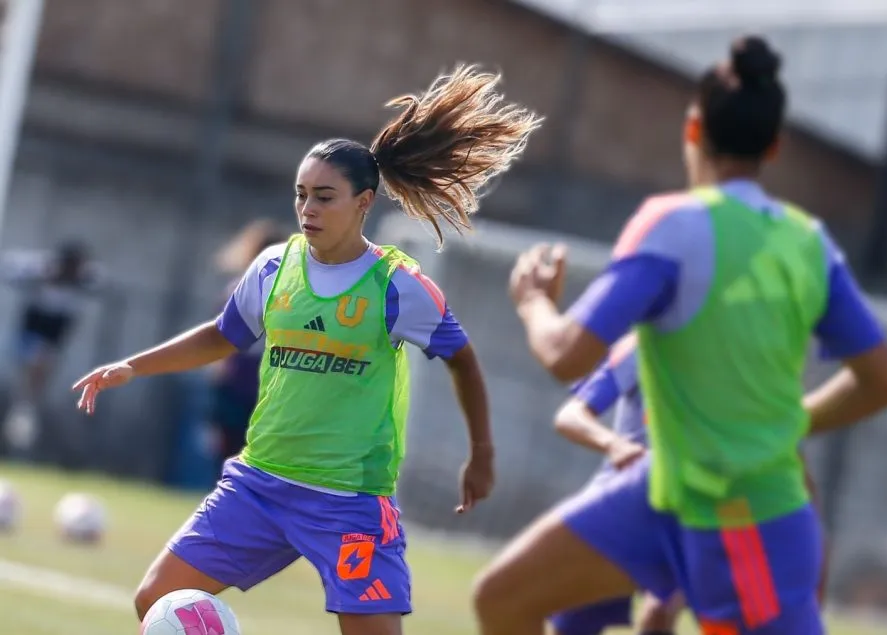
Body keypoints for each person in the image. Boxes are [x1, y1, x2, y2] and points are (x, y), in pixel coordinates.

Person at [72, 65, 542, 635]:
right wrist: (131, 366)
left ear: (364, 202)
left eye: (325, 197)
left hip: (348, 502)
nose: (308, 209)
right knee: (158, 602)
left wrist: (483, 452)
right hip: (259, 484)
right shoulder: (275, 268)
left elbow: (462, 358)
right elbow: (223, 335)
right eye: (301, 196)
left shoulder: (396, 285)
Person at [476, 35, 887, 635]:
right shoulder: (808, 242)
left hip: (745, 514)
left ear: (693, 129)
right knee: (502, 596)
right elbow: (881, 381)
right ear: (774, 146)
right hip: (660, 497)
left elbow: (563, 352)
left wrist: (532, 304)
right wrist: (792, 423)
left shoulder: (670, 225)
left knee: (504, 604)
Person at [549, 333, 686, 635]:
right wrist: (615, 445)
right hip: (620, 505)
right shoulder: (642, 344)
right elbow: (570, 415)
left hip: (686, 507)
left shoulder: (737, 355)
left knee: (659, 612)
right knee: (573, 625)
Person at [1, 240, 103, 452]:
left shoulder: (83, 278)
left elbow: (99, 280)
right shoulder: (42, 268)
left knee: (42, 371)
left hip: (55, 335)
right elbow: (10, 267)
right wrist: (41, 274)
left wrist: (79, 277)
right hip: (34, 330)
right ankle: (23, 407)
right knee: (36, 364)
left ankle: (27, 407)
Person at [206, 219, 289, 466]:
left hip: (247, 386)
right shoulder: (243, 290)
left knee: (232, 462)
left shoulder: (287, 293)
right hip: (257, 387)